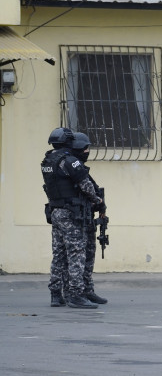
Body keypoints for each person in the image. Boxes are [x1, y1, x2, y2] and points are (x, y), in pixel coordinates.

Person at [41, 127, 105, 309]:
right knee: (76, 252)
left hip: (56, 211)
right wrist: (97, 200)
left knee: (59, 254)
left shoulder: (48, 160)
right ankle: (76, 294)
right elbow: (86, 185)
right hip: (71, 213)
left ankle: (56, 294)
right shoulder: (69, 161)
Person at [72, 132, 108, 305]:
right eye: (85, 148)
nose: (87, 151)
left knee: (86, 254)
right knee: (79, 255)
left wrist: (100, 204)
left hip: (84, 213)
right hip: (77, 215)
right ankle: (78, 293)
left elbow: (91, 187)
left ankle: (86, 290)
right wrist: (99, 201)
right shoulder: (72, 164)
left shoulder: (70, 164)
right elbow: (88, 189)